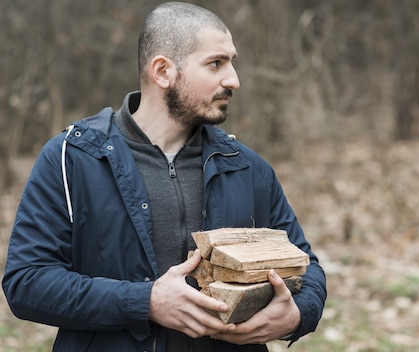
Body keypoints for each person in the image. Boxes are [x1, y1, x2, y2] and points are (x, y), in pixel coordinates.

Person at [2, 2, 326, 351]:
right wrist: (144, 302)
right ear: (162, 71)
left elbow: (308, 270)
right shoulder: (71, 158)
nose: (233, 79)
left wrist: (295, 315)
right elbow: (27, 282)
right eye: (216, 63)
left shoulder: (246, 167)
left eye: (232, 62)